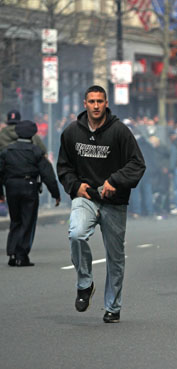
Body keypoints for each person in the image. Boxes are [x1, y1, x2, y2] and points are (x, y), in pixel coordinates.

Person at [57, 85, 145, 323]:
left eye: (100, 101)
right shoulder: (72, 132)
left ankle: (112, 307)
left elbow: (137, 164)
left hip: (114, 202)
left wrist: (115, 181)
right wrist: (75, 186)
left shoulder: (120, 132)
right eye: (91, 101)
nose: (96, 106)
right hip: (85, 197)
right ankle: (85, 284)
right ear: (84, 103)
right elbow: (64, 166)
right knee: (76, 234)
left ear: (106, 103)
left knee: (115, 256)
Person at [0, 120, 60, 266]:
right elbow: (48, 175)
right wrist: (55, 194)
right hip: (29, 186)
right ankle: (22, 255)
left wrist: (1, 193)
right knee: (28, 221)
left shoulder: (7, 151)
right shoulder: (36, 151)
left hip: (11, 187)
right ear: (33, 133)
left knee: (15, 220)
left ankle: (12, 254)